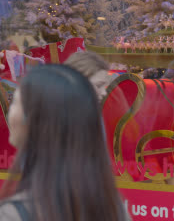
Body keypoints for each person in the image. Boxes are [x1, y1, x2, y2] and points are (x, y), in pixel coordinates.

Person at [0, 65, 130, 221]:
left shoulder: (12, 214)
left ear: (35, 119)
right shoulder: (113, 206)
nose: (9, 111)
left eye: (14, 101)